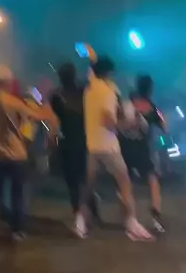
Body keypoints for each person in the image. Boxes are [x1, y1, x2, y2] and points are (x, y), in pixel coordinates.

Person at [0, 64, 57, 241]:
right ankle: (17, 230)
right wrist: (46, 106)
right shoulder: (13, 102)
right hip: (17, 156)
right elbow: (38, 116)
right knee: (18, 194)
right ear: (8, 82)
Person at [84, 56, 153, 241]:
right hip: (109, 146)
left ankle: (81, 221)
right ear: (108, 73)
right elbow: (109, 122)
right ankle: (132, 223)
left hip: (92, 145)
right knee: (125, 183)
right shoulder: (108, 91)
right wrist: (128, 124)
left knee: (89, 186)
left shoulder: (89, 91)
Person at [119, 74, 166, 233]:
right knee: (153, 181)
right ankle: (156, 217)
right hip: (143, 150)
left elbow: (118, 123)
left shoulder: (128, 103)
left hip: (124, 148)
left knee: (125, 183)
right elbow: (165, 126)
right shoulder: (152, 108)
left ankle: (127, 218)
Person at [50, 63, 88, 238]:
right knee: (84, 179)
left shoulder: (57, 97)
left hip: (67, 143)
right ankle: (89, 211)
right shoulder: (84, 92)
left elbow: (54, 122)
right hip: (85, 141)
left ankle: (79, 216)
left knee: (73, 182)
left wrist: (52, 142)